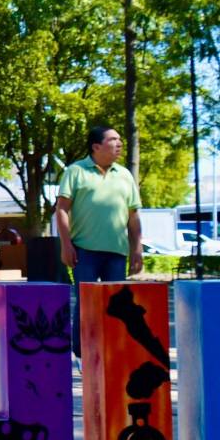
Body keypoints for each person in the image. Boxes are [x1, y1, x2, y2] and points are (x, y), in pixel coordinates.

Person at [53, 123, 144, 324]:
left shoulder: (125, 175)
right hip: (84, 252)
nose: (119, 144)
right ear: (96, 147)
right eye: (113, 140)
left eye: (120, 139)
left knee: (119, 306)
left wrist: (137, 249)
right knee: (87, 304)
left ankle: (113, 354)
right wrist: (66, 245)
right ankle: (81, 352)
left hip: (117, 253)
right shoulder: (75, 171)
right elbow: (61, 209)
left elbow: (134, 215)